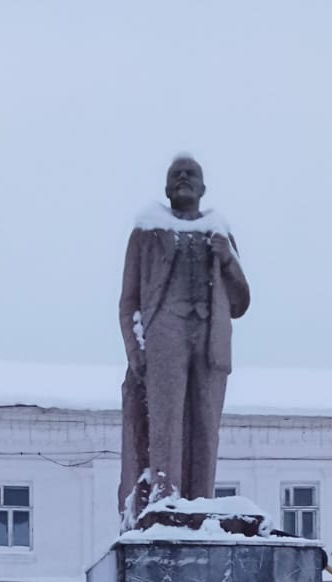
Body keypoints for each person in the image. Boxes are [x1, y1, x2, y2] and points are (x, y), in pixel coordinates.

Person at [118, 154, 251, 523]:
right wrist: (135, 349)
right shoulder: (147, 230)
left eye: (191, 174)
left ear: (203, 187)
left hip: (210, 338)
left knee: (206, 424)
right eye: (176, 174)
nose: (183, 178)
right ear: (166, 187)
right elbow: (129, 300)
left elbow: (240, 302)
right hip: (165, 333)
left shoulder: (219, 231)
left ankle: (201, 503)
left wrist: (228, 261)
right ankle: (164, 502)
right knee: (166, 422)